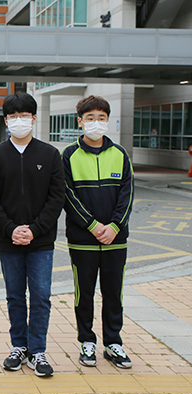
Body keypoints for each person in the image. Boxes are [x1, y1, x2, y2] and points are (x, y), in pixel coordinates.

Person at [0, 92, 64, 378]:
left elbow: (56, 198)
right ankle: (19, 346)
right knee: (15, 296)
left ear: (34, 118)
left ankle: (37, 350)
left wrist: (34, 229)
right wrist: (10, 229)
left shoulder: (50, 155)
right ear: (6, 120)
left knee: (40, 296)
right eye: (13, 116)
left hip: (41, 241)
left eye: (24, 115)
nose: (19, 121)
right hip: (8, 241)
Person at [62, 95, 134, 369]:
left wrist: (114, 227)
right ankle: (87, 341)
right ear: (79, 122)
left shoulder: (120, 155)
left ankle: (113, 342)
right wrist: (92, 225)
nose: (95, 123)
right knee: (85, 293)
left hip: (116, 240)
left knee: (114, 292)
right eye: (90, 118)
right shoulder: (69, 155)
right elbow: (68, 196)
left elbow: (127, 196)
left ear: (109, 121)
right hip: (83, 241)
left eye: (101, 118)